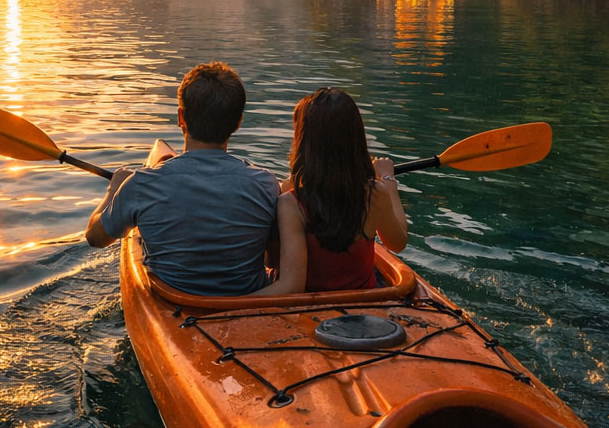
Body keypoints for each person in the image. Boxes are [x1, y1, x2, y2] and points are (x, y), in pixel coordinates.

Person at [85, 62, 305, 297]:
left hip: (176, 301)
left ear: (181, 117)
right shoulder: (265, 184)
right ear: (238, 123)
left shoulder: (140, 184)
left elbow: (95, 238)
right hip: (245, 306)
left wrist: (114, 188)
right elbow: (272, 258)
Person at [286, 87, 408, 292]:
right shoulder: (375, 194)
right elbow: (398, 242)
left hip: (307, 305)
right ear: (357, 138)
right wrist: (388, 180)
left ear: (303, 141)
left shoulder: (290, 203)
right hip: (363, 303)